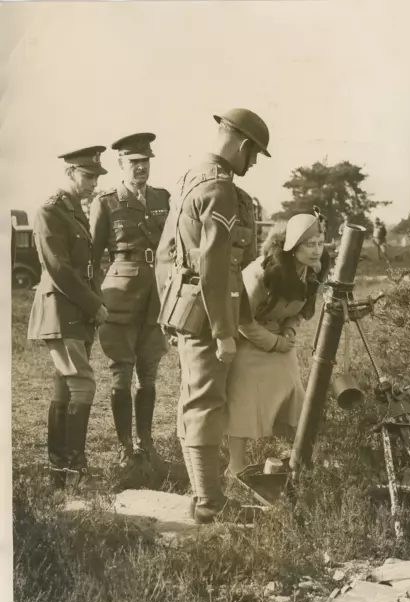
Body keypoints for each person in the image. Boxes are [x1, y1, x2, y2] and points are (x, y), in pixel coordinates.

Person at [155, 108, 268, 524]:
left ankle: (203, 493)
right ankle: (210, 504)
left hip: (187, 308)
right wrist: (223, 331)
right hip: (208, 313)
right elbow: (214, 267)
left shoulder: (190, 178)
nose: (252, 163)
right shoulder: (219, 189)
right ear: (241, 145)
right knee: (206, 401)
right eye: (254, 154)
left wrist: (168, 314)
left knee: (195, 397)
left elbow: (166, 254)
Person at [27, 146, 109, 489]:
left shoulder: (75, 212)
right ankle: (74, 470)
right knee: (82, 384)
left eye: (95, 176)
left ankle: (60, 474)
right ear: (69, 174)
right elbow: (59, 269)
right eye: (87, 175)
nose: (92, 182)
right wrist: (94, 305)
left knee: (65, 385)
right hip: (61, 309)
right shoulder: (50, 211)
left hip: (74, 312)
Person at [225, 212, 329, 475]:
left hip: (281, 340)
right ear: (292, 246)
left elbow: (298, 309)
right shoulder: (261, 273)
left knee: (295, 396)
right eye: (309, 244)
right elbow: (240, 319)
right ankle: (235, 467)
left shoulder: (312, 272)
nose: (316, 251)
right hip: (248, 340)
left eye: (320, 243)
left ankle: (300, 461)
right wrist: (273, 343)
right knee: (244, 403)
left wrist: (290, 331)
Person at [89, 133, 170, 469]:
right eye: (134, 162)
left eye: (145, 161)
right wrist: (93, 299)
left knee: (148, 373)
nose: (141, 167)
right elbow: (92, 257)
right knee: (121, 372)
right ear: (121, 164)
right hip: (119, 296)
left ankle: (146, 442)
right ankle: (125, 448)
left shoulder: (164, 198)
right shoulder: (106, 201)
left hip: (158, 295)